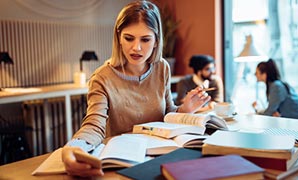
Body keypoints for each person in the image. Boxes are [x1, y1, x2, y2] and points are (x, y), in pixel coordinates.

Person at [61, 1, 211, 177]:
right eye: (129, 38)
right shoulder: (102, 77)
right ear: (118, 38)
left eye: (145, 39)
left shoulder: (162, 68)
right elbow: (94, 125)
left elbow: (167, 112)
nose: (136, 48)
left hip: (159, 156)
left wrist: (185, 110)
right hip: (122, 162)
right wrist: (73, 148)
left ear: (156, 41)